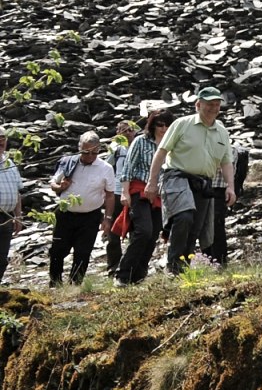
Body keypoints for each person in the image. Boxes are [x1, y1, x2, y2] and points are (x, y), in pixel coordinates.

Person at [144, 87, 237, 275]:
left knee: (196, 228)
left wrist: (230, 187)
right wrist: (152, 182)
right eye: (209, 104)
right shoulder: (182, 124)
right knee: (184, 216)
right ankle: (173, 266)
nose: (213, 108)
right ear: (198, 105)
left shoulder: (222, 132)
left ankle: (183, 270)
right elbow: (161, 152)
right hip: (177, 176)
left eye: (217, 104)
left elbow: (226, 162)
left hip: (203, 183)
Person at [47, 131, 119, 286]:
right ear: (79, 148)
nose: (90, 156)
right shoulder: (68, 162)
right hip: (65, 214)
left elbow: (110, 195)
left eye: (94, 152)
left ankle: (75, 285)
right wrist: (61, 186)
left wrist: (107, 218)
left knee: (83, 251)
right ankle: (55, 283)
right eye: (86, 152)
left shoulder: (105, 168)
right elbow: (53, 184)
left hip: (90, 216)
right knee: (58, 249)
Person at [116, 111, 170, 284]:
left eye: (166, 125)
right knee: (143, 231)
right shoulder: (140, 141)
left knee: (153, 233)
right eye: (160, 124)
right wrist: (125, 192)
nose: (163, 128)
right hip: (139, 189)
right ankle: (123, 274)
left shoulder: (171, 145)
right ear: (152, 125)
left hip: (160, 195)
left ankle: (139, 274)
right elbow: (128, 168)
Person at [101, 119, 138, 276]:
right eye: (124, 130)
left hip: (136, 191)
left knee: (136, 230)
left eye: (131, 130)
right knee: (113, 232)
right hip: (117, 192)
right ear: (117, 132)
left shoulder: (141, 146)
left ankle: (132, 265)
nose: (128, 133)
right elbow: (105, 168)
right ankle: (113, 266)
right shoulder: (115, 149)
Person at [0, 130, 24, 284]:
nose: (1, 142)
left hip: (7, 217)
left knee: (2, 258)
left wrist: (18, 216)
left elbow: (17, 192)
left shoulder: (9, 163)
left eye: (3, 138)